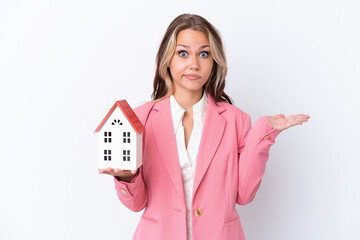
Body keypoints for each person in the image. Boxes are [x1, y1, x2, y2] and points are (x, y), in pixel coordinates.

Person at [98, 13, 310, 240]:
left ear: (214, 61)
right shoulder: (141, 119)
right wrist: (126, 178)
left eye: (204, 54)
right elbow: (136, 203)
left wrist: (264, 133)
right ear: (167, 59)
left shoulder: (236, 120)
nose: (194, 64)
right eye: (183, 53)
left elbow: (244, 195)